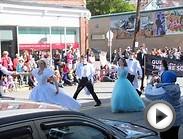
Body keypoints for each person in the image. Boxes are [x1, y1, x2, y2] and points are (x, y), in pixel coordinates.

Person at [145, 71, 182, 139]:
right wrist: (160, 83)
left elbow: (148, 94)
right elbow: (166, 86)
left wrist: (150, 83)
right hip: (177, 117)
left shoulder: (163, 89)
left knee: (164, 136)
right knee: (174, 136)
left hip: (165, 117)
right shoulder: (176, 87)